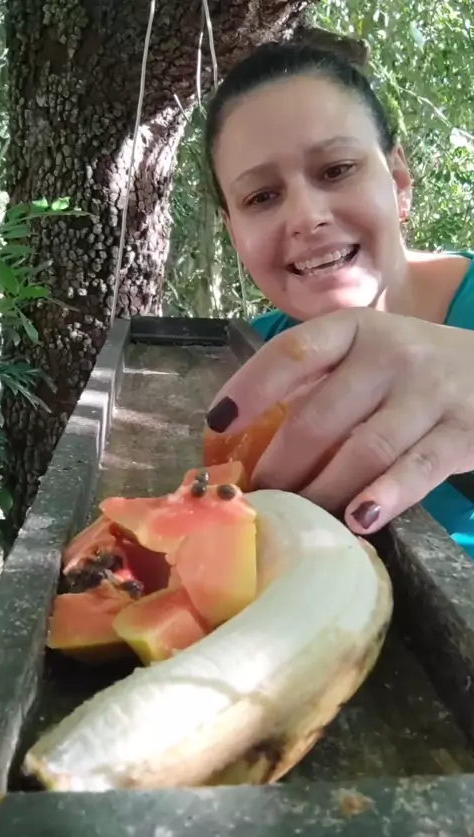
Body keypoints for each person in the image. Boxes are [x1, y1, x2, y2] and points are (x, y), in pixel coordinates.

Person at [202, 41, 474, 558]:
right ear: (234, 232)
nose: (307, 218)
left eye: (337, 169)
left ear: (398, 183)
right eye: (261, 197)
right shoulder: (247, 361)